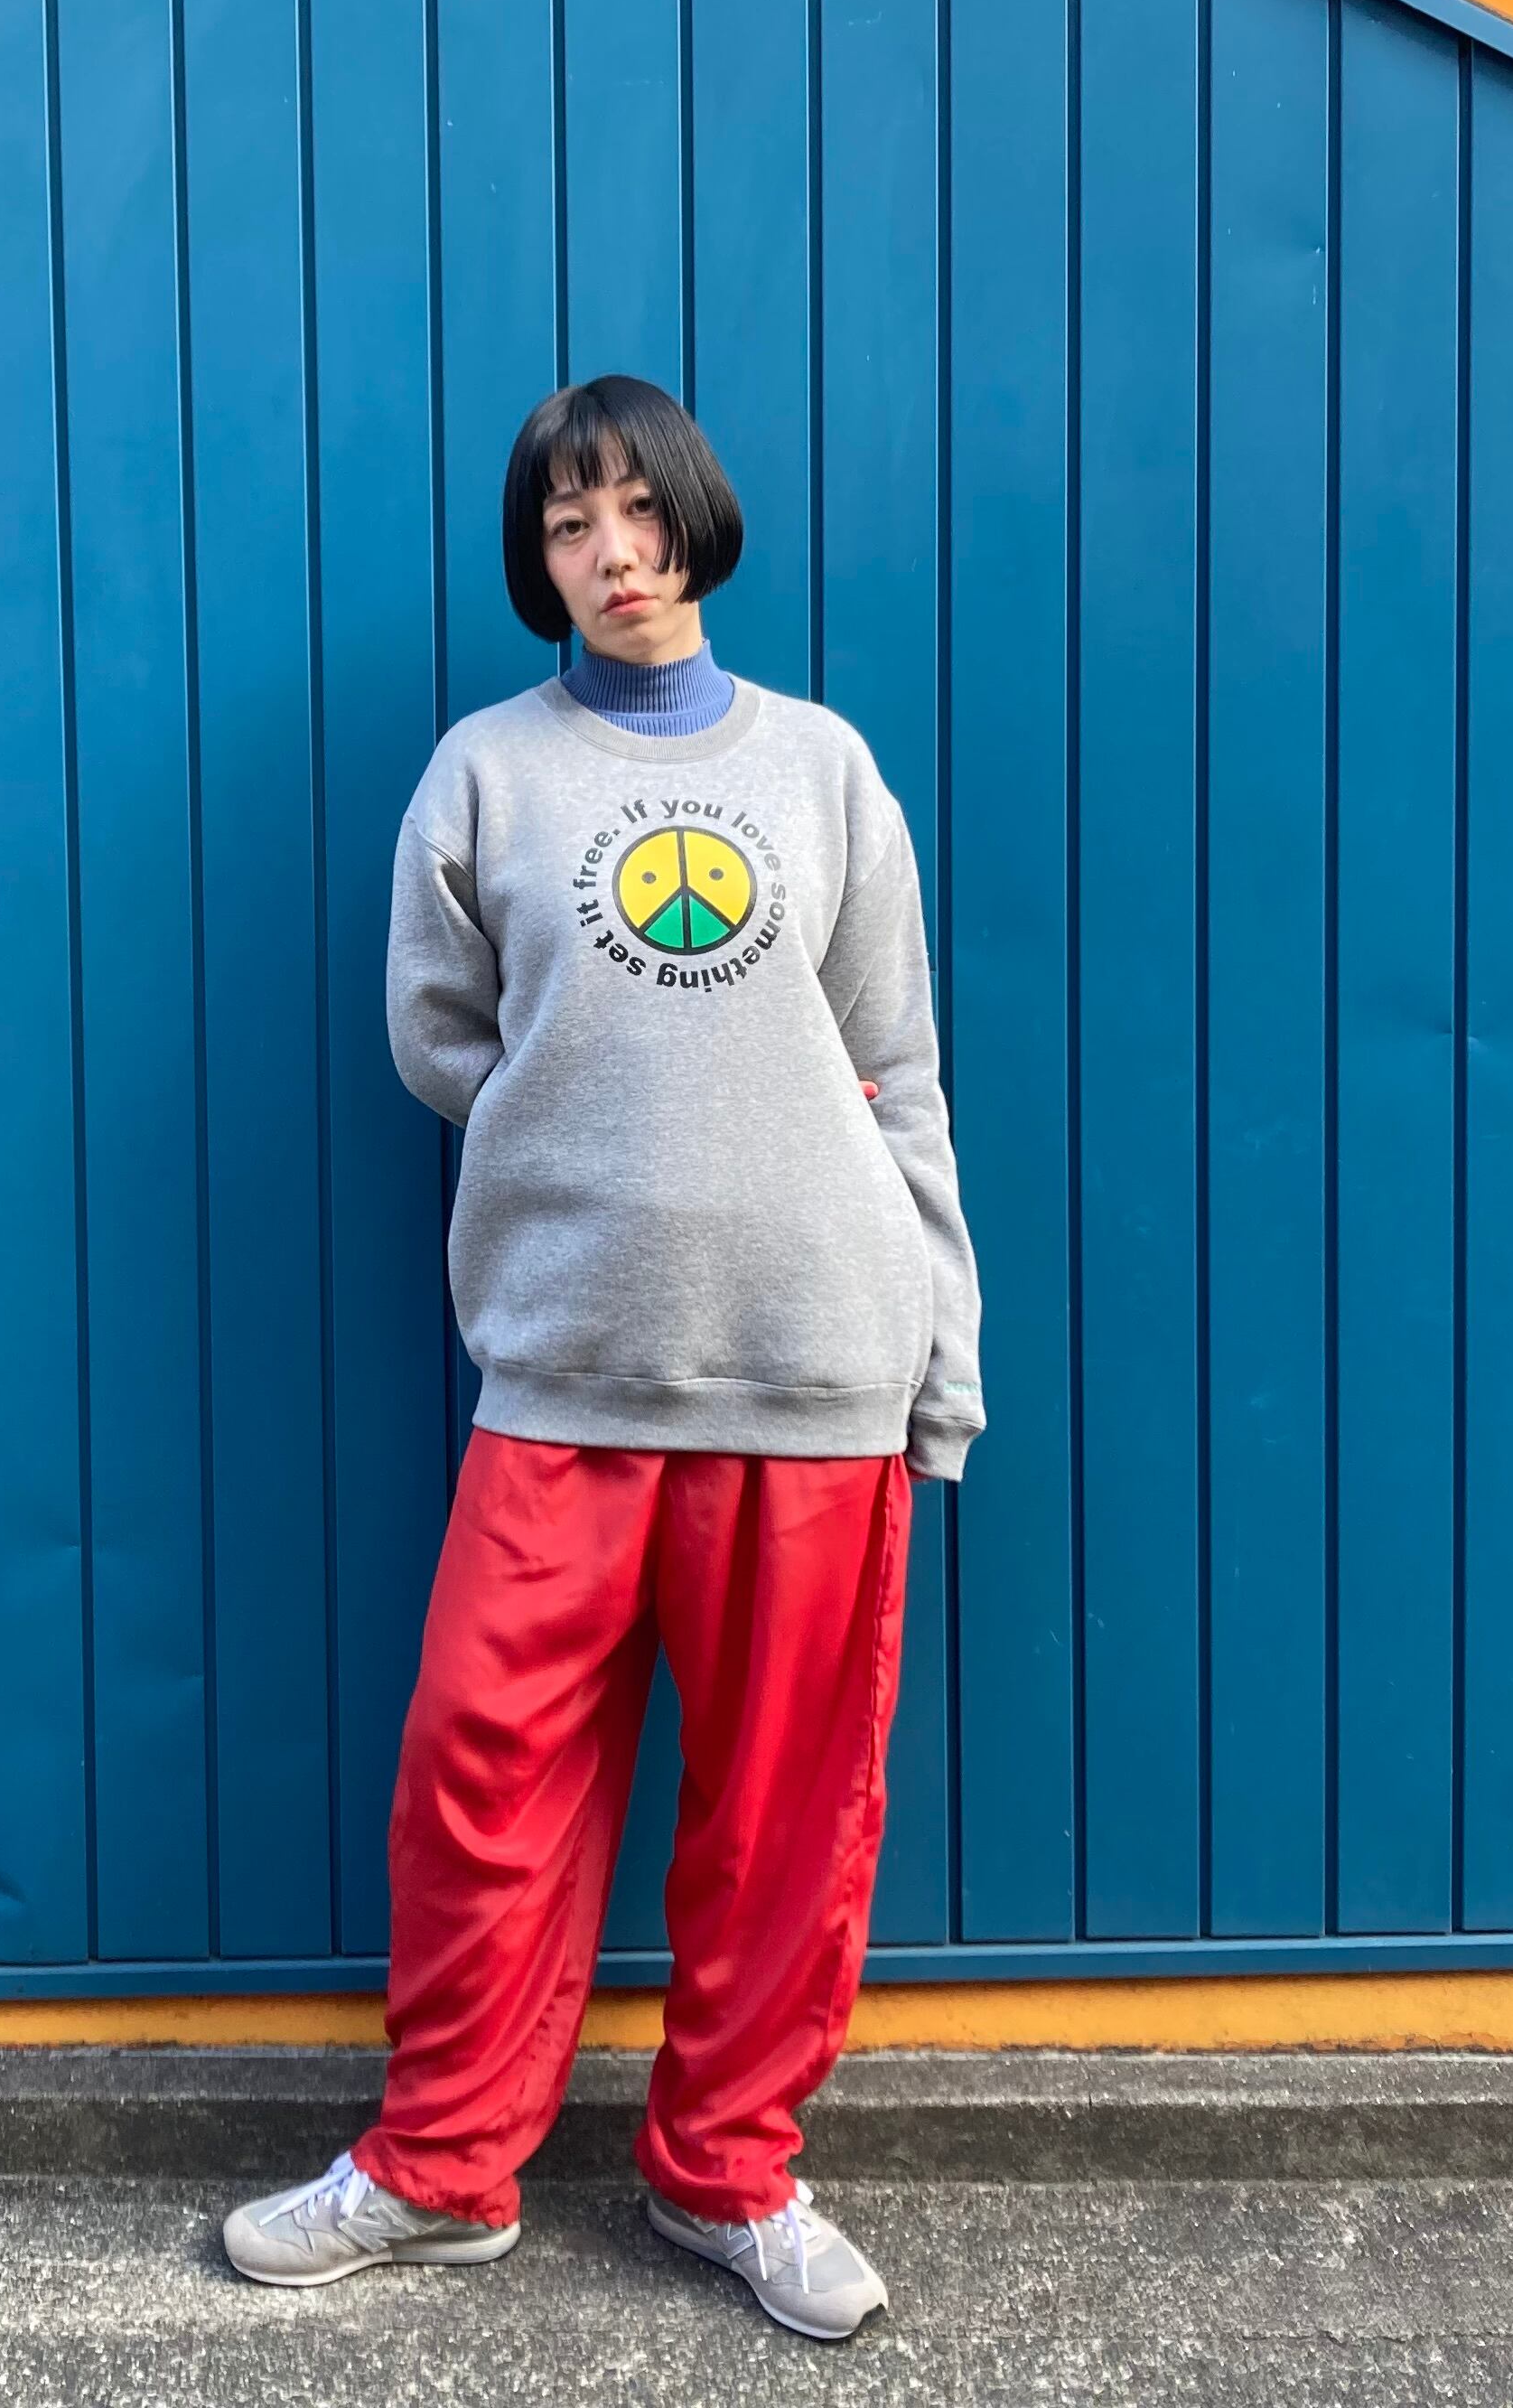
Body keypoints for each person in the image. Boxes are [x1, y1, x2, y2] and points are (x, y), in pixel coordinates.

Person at [222, 377, 983, 2343]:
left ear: (696, 521)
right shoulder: (486, 773)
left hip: (816, 1368)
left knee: (787, 1810)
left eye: (640, 512)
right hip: (563, 1369)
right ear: (537, 559)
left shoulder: (823, 770)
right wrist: (584, 1127)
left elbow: (896, 1069)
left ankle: (730, 2171)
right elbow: (440, 1036)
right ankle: (440, 2168)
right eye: (570, 527)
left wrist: (941, 1350)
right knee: (480, 1772)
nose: (614, 554)